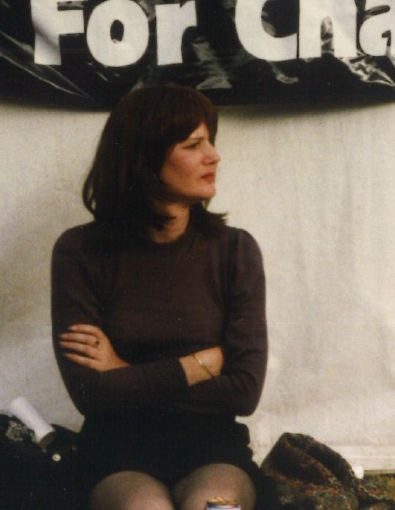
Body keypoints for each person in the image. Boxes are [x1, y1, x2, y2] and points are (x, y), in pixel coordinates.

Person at [51, 83, 268, 510]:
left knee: (213, 506)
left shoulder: (234, 250)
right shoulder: (79, 251)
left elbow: (244, 391)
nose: (214, 156)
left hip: (212, 446)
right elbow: (90, 394)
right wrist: (200, 364)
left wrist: (124, 371)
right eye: (194, 144)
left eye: (211, 141)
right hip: (118, 451)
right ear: (145, 158)